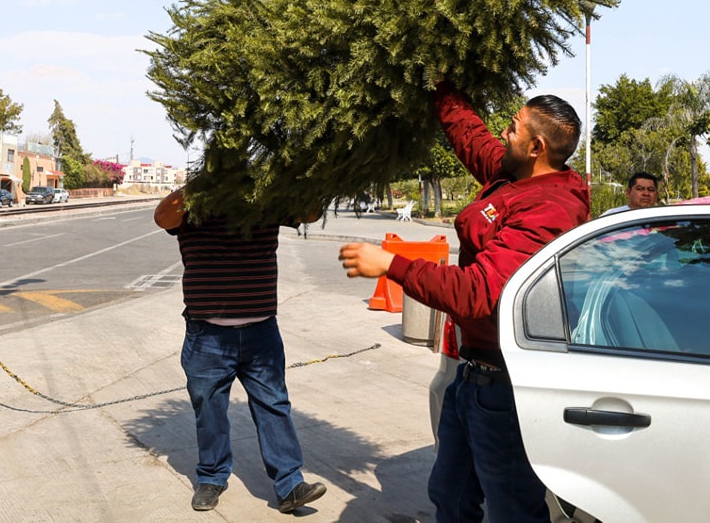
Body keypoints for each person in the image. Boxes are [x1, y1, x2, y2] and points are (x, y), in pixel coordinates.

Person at [338, 80, 590, 522]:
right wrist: (440, 81)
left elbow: (476, 292)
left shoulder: (549, 208)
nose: (502, 134)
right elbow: (471, 137)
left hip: (505, 388)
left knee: (513, 509)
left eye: (512, 128)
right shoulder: (514, 174)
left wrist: (392, 265)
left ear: (536, 146)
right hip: (470, 376)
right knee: (450, 495)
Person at [154, 189, 326, 514]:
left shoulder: (263, 198)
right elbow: (162, 216)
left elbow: (311, 211)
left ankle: (290, 484)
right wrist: (201, 186)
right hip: (207, 334)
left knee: (274, 404)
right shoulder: (192, 205)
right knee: (210, 408)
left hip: (262, 332)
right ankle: (211, 477)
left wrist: (294, 177)